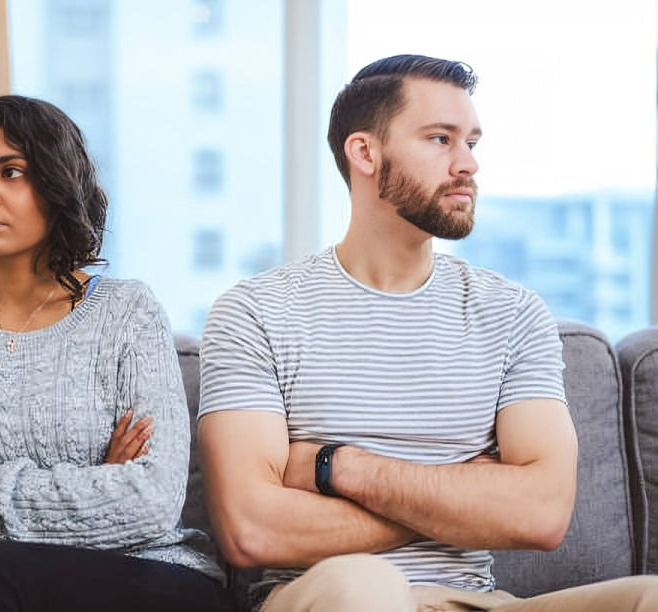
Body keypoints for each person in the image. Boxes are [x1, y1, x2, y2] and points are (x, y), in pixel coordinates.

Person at [198, 55, 658, 611]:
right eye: (441, 139)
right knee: (368, 586)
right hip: (332, 596)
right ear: (365, 152)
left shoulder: (513, 314)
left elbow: (542, 513)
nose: (467, 164)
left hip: (479, 603)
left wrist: (338, 467)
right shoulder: (256, 312)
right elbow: (253, 530)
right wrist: (462, 498)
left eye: (472, 142)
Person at [0, 95, 232, 612]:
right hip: (8, 591)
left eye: (11, 172)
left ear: (56, 183)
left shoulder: (128, 313)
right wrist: (98, 487)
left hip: (154, 580)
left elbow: (151, 503)